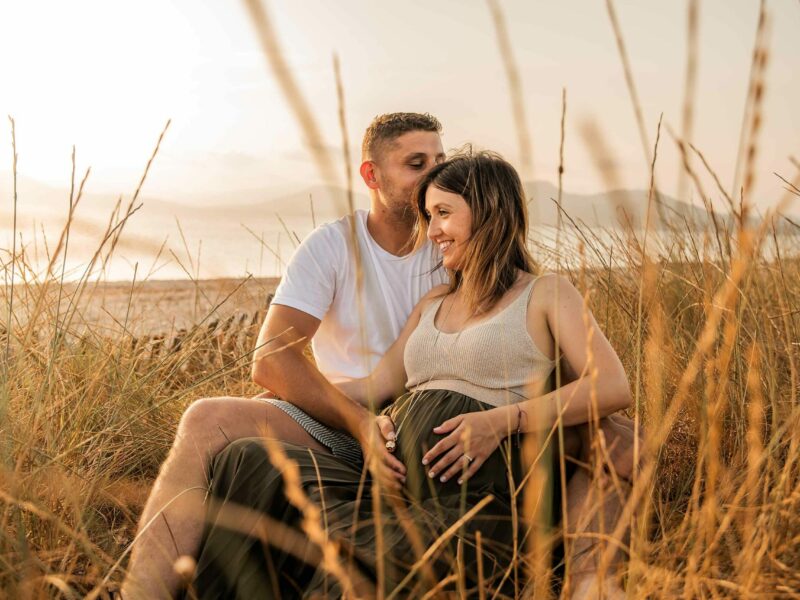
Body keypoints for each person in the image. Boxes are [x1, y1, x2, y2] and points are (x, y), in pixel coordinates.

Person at [189, 151, 635, 599]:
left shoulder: (545, 293)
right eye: (428, 215)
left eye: (443, 213)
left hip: (472, 502)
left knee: (361, 567)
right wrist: (285, 400)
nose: (432, 230)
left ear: (490, 211)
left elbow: (612, 386)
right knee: (247, 458)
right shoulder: (435, 302)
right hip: (394, 491)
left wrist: (500, 421)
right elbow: (376, 387)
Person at [121, 112, 448, 598]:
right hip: (343, 420)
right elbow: (271, 358)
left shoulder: (456, 240)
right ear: (371, 176)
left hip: (426, 422)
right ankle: (138, 595)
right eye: (416, 163)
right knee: (206, 418)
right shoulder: (333, 246)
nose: (435, 175)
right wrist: (358, 421)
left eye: (441, 161)